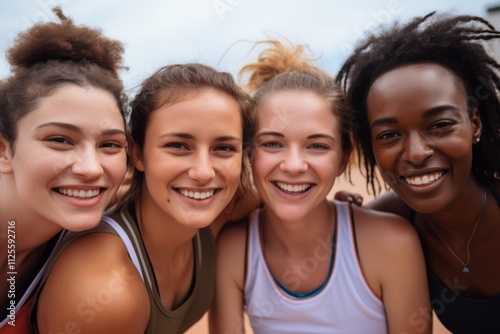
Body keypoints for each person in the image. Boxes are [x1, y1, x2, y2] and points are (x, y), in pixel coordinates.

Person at [209, 40, 431, 334]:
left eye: (317, 145)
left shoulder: (392, 243)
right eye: (273, 143)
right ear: (249, 153)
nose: (293, 165)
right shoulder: (234, 248)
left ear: (344, 159)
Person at [32, 62, 256, 333]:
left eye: (223, 148)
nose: (203, 172)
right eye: (178, 146)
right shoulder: (107, 291)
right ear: (137, 153)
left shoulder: (221, 213)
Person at [335, 11, 500, 333]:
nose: (415, 153)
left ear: (475, 125)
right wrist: (338, 218)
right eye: (389, 135)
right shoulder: (390, 219)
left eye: (439, 125)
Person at [0, 7, 128, 333]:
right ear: (4, 150)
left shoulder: (110, 203)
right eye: (60, 140)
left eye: (110, 144)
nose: (90, 168)